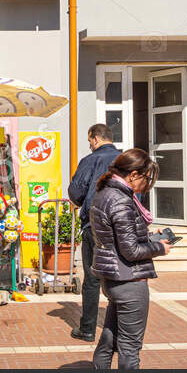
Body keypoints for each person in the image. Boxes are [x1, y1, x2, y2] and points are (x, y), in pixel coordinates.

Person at [87, 147, 167, 370]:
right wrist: (159, 247)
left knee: (109, 339)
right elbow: (130, 250)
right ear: (133, 175)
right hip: (129, 281)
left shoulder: (104, 193)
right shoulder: (121, 200)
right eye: (146, 178)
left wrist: (149, 236)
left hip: (113, 279)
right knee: (130, 347)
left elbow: (120, 238)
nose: (146, 184)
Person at [67, 123, 120, 341]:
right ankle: (118, 329)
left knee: (92, 278)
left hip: (94, 225)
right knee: (119, 277)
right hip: (120, 227)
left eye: (89, 141)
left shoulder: (90, 160)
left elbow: (76, 192)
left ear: (95, 138)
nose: (89, 145)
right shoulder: (126, 159)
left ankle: (87, 329)